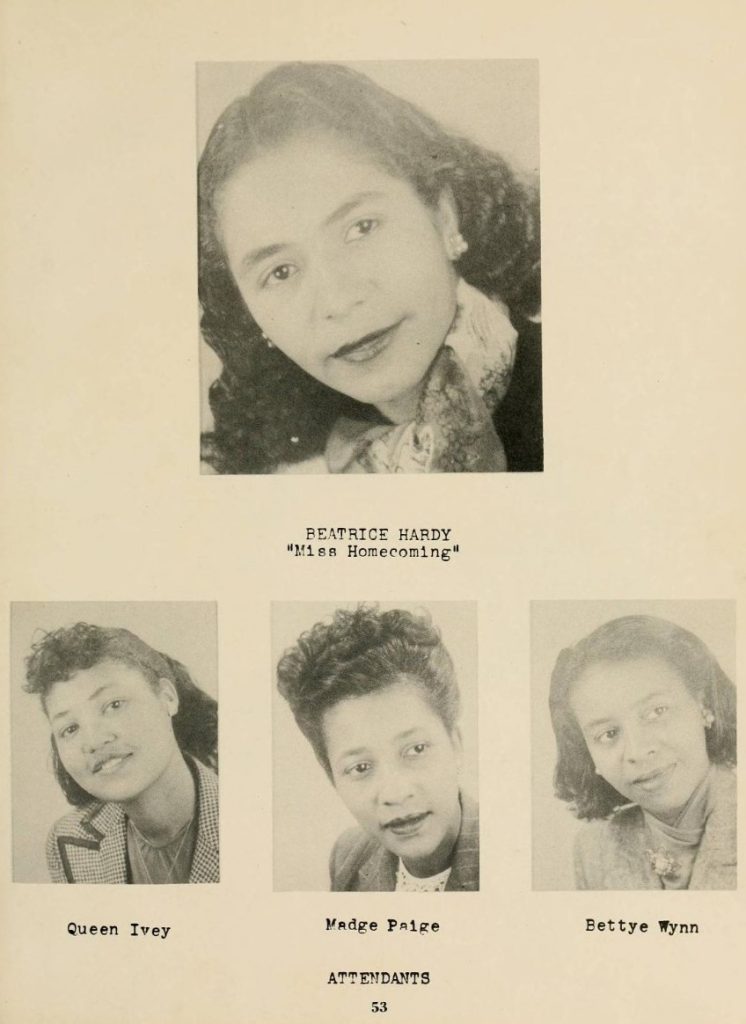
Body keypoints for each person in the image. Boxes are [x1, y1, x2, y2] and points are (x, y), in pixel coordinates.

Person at [199, 62, 541, 474]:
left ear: (444, 216)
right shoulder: (271, 473)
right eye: (281, 272)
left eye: (361, 228)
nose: (338, 300)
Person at [277, 605, 478, 891]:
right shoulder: (348, 855)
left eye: (416, 749)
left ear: (455, 745)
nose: (395, 794)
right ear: (332, 778)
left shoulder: (503, 858)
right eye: (361, 767)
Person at [549, 615, 736, 890]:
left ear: (703, 704)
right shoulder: (594, 850)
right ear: (587, 753)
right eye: (608, 734)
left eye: (656, 712)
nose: (637, 750)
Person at [24, 623, 219, 884]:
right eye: (70, 728)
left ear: (167, 697)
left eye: (113, 705)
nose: (93, 741)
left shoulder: (249, 818)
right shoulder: (67, 841)